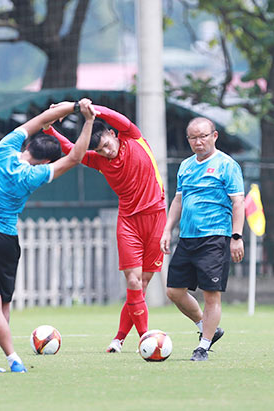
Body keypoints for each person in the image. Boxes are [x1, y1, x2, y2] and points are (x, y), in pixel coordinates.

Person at [0, 99, 97, 373]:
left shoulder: (3, 149)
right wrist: (89, 119)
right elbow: (75, 158)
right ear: (47, 160)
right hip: (4, 240)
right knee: (3, 304)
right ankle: (13, 358)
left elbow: (41, 118)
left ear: (27, 146)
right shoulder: (35, 175)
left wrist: (72, 107)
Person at [43, 103, 166, 353]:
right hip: (129, 222)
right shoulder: (100, 162)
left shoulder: (132, 136)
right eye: (100, 150)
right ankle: (146, 339)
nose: (106, 151)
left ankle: (119, 339)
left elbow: (117, 115)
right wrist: (50, 131)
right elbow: (71, 150)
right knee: (132, 281)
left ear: (112, 133)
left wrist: (87, 108)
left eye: (107, 145)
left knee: (142, 284)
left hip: (156, 218)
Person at [160, 117, 245, 362]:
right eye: (193, 138)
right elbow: (178, 200)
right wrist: (167, 230)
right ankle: (205, 327)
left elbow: (238, 202)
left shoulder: (227, 165)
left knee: (211, 295)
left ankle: (203, 347)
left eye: (203, 136)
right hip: (187, 237)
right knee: (174, 291)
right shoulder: (185, 166)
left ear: (214, 136)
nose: (198, 142)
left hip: (215, 237)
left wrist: (236, 237)